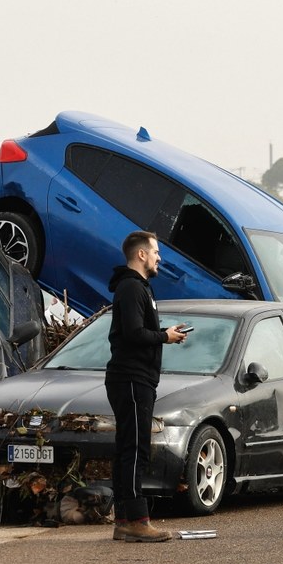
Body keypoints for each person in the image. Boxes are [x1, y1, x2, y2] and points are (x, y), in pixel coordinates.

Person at [106, 231, 189, 543]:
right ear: (141, 254)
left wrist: (165, 333)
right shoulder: (130, 287)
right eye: (155, 252)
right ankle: (136, 520)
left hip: (138, 378)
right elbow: (132, 333)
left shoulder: (139, 287)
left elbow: (141, 331)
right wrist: (163, 336)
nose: (159, 258)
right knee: (135, 448)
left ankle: (124, 519)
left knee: (130, 447)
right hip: (130, 378)